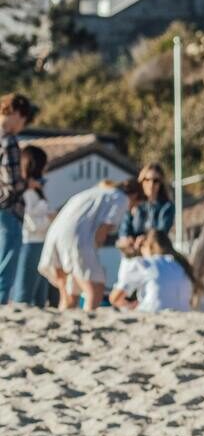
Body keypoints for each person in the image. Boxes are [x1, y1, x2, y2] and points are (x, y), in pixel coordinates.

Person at [38, 177, 145, 311]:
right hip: (77, 238)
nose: (132, 209)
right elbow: (102, 231)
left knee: (70, 294)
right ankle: (89, 319)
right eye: (135, 204)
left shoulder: (96, 191)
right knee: (95, 287)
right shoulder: (121, 198)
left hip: (55, 235)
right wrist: (94, 252)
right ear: (134, 195)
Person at [0, 91, 37, 304]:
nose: (22, 125)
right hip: (8, 206)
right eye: (23, 119)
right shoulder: (9, 140)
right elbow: (13, 184)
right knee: (6, 260)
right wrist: (29, 184)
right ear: (15, 113)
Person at [109, 229, 200, 312]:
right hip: (183, 313)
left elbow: (115, 298)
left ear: (148, 246)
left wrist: (134, 252)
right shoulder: (180, 265)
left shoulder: (144, 263)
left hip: (153, 312)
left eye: (141, 246)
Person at [13, 144, 55, 307]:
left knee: (40, 296)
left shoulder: (37, 190)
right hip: (30, 243)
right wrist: (50, 219)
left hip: (42, 243)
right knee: (24, 294)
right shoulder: (25, 192)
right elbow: (28, 221)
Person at [117, 163, 176, 254]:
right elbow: (124, 231)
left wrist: (144, 239)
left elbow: (161, 233)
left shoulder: (167, 206)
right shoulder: (134, 203)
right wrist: (129, 240)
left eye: (155, 180)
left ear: (161, 183)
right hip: (133, 253)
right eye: (147, 180)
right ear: (141, 181)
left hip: (156, 254)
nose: (151, 184)